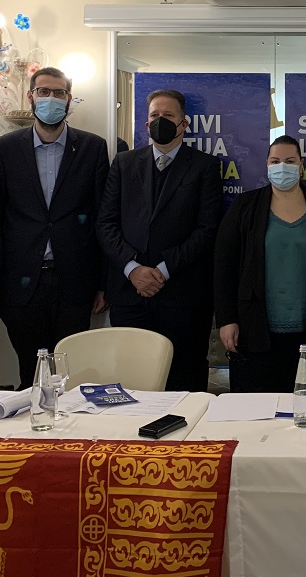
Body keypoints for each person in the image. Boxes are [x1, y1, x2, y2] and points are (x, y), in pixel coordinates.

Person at [0, 66, 111, 390]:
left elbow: (102, 218)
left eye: (59, 93)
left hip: (76, 281)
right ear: (31, 96)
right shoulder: (5, 148)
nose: (51, 99)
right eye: (44, 92)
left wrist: (104, 284)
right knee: (30, 371)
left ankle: (67, 424)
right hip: (20, 282)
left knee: (69, 373)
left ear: (69, 99)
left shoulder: (93, 147)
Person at [97, 88, 221, 392]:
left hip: (183, 296)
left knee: (184, 380)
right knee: (131, 382)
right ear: (146, 123)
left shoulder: (205, 166)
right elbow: (106, 223)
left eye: (168, 115)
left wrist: (163, 270)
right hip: (130, 294)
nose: (160, 121)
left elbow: (207, 229)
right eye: (155, 115)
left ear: (184, 123)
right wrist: (133, 269)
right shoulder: (123, 163)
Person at [214, 135, 306, 392]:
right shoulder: (244, 207)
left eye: (290, 161)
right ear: (266, 164)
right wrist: (226, 319)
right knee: (254, 409)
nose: (282, 167)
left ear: (301, 165)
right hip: (253, 331)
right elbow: (224, 267)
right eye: (275, 161)